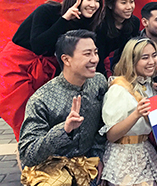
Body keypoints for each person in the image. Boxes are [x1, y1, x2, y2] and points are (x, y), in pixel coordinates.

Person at [0, 0, 103, 140]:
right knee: (24, 122)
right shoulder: (47, 11)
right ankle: (29, 152)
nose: (93, 4)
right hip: (18, 67)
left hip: (50, 69)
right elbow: (39, 46)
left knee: (50, 118)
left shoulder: (87, 23)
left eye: (97, 0)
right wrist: (64, 19)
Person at [19, 30, 107, 183]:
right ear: (66, 59)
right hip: (52, 171)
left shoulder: (99, 82)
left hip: (89, 164)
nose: (95, 59)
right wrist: (64, 130)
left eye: (96, 52)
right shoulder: (42, 99)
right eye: (87, 54)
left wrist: (97, 155)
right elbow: (28, 154)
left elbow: (102, 124)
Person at [100, 38, 157, 186]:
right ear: (131, 61)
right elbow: (111, 135)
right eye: (145, 57)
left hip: (146, 149)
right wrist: (136, 114)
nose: (152, 61)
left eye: (154, 55)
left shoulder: (149, 84)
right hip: (123, 155)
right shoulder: (118, 89)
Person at [95, 0, 140, 75]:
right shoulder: (99, 26)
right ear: (110, 5)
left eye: (131, 1)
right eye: (123, 3)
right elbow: (99, 59)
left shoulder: (134, 22)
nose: (129, 7)